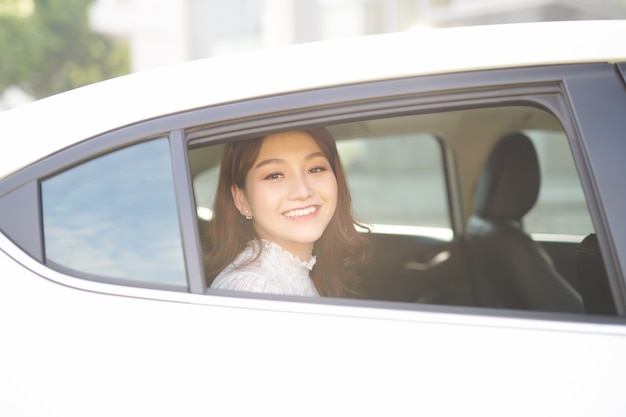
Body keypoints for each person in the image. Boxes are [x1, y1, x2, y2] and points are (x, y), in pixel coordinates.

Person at [204, 127, 370, 298]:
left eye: (315, 169)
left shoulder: (298, 273)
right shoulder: (253, 288)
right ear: (242, 200)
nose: (302, 191)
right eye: (275, 175)